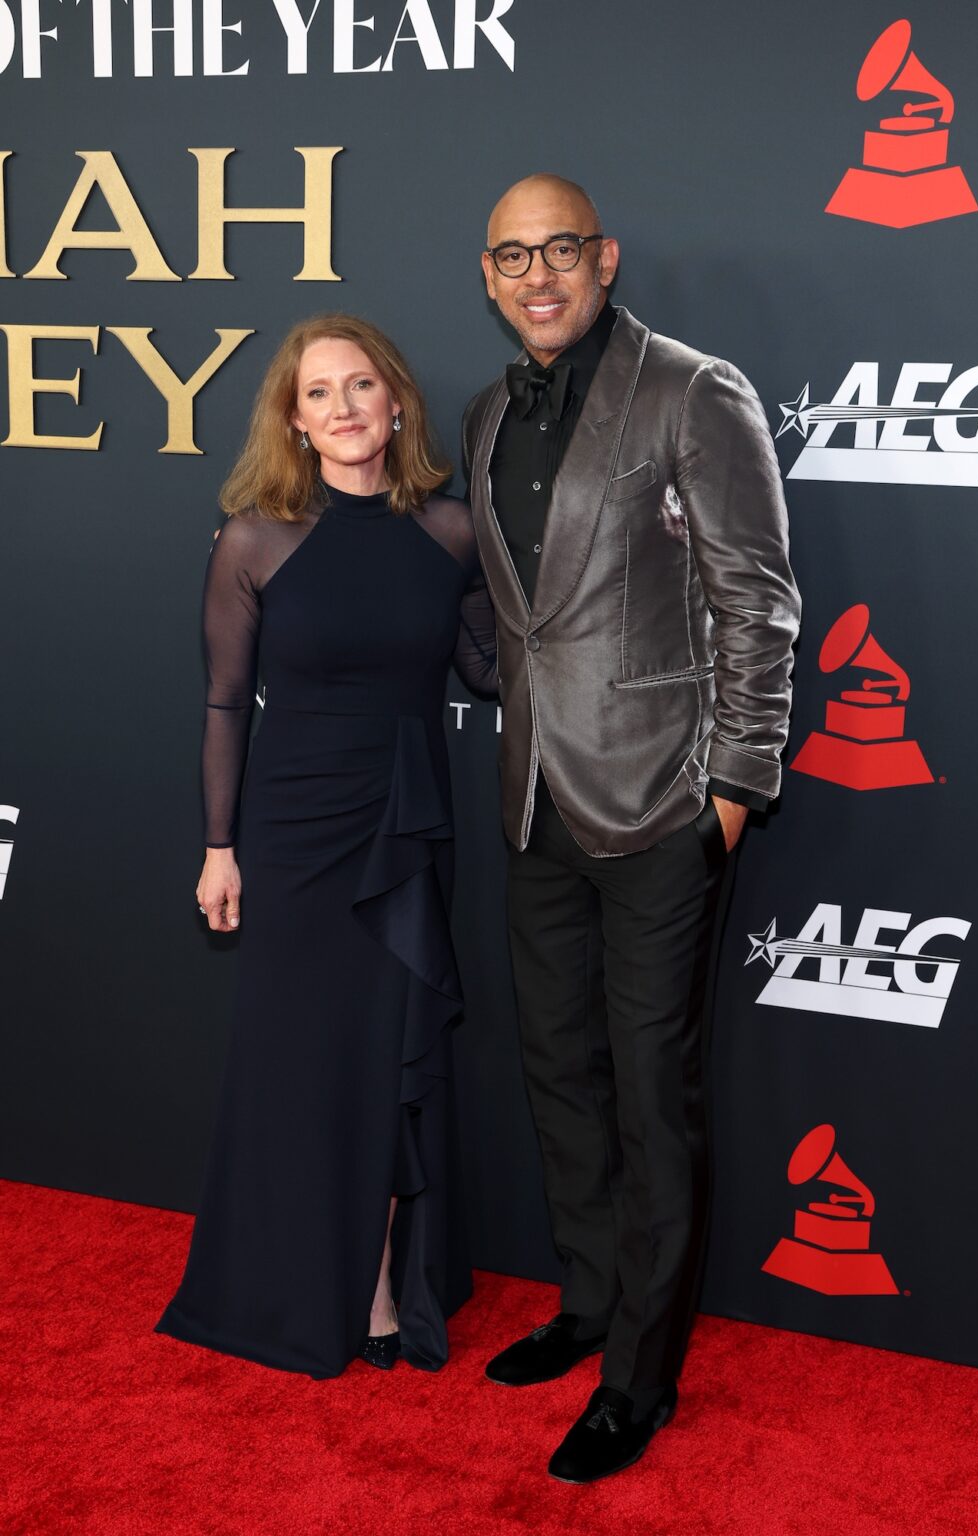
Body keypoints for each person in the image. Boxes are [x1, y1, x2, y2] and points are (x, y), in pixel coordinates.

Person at [463, 175, 801, 1482]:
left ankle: (641, 1380)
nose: (538, 274)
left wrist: (734, 788)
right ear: (487, 275)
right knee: (559, 1070)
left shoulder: (692, 388)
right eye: (512, 256)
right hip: (538, 798)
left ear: (601, 256)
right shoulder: (493, 413)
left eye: (559, 248)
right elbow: (523, 621)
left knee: (654, 1097)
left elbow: (756, 600)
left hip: (665, 802)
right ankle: (591, 1301)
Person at [157, 314, 496, 1379]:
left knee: (393, 1057)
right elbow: (223, 704)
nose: (343, 408)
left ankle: (387, 1280)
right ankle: (297, 1279)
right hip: (294, 830)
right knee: (300, 1063)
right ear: (294, 422)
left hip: (402, 826)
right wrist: (221, 845)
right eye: (318, 395)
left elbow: (492, 675)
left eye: (360, 386)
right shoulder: (253, 538)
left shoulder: (450, 532)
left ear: (395, 402)